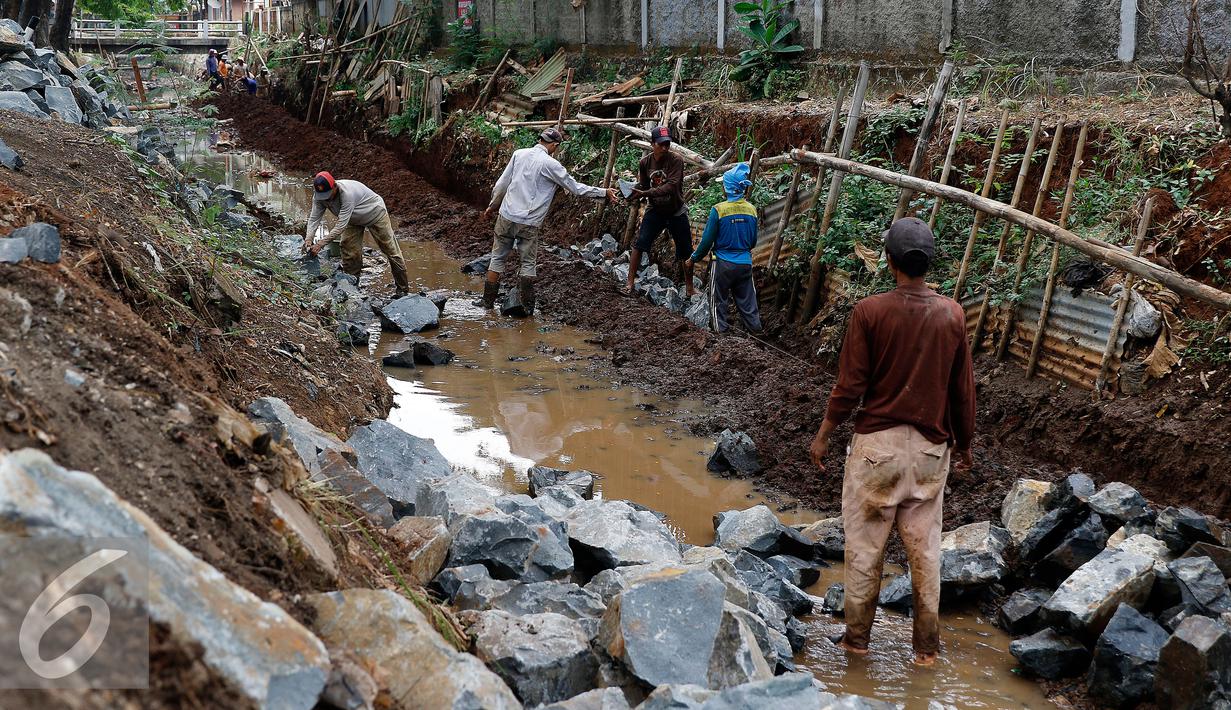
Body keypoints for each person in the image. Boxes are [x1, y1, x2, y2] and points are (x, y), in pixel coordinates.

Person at [808, 216, 975, 667]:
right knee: (925, 551)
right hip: (928, 452)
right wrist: (966, 443)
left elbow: (850, 386)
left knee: (865, 550)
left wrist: (824, 434)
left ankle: (857, 645)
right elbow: (962, 391)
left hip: (875, 450)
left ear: (888, 261)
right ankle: (925, 653)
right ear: (928, 263)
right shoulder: (952, 314)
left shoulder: (870, 311)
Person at [480, 127, 616, 315]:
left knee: (497, 258)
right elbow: (575, 188)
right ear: (554, 145)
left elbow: (501, 185)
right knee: (527, 263)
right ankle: (527, 308)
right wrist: (603, 192)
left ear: (539, 140)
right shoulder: (551, 165)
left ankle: (487, 304)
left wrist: (492, 206)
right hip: (529, 222)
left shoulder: (519, 154)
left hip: (506, 216)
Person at [303, 171, 410, 297]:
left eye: (327, 194)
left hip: (374, 213)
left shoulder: (347, 194)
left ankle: (403, 290)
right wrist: (308, 239)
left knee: (391, 251)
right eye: (322, 196)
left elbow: (341, 225)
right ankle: (351, 286)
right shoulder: (319, 196)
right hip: (352, 219)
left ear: (334, 187)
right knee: (349, 249)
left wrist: (320, 244)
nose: (325, 198)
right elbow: (314, 218)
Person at [684, 162, 761, 333]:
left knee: (718, 300)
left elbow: (706, 241)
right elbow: (754, 241)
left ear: (727, 188)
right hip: (745, 263)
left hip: (723, 263)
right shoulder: (752, 210)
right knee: (748, 301)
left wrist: (694, 258)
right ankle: (757, 332)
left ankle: (721, 335)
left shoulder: (718, 210)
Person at [624, 126, 694, 297]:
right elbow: (644, 185)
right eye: (661, 144)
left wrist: (646, 193)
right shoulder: (645, 163)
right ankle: (629, 282)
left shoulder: (676, 161)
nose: (665, 148)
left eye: (667, 144)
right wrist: (630, 192)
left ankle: (690, 287)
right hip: (655, 209)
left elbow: (671, 186)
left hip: (676, 210)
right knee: (640, 243)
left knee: (686, 250)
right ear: (653, 144)